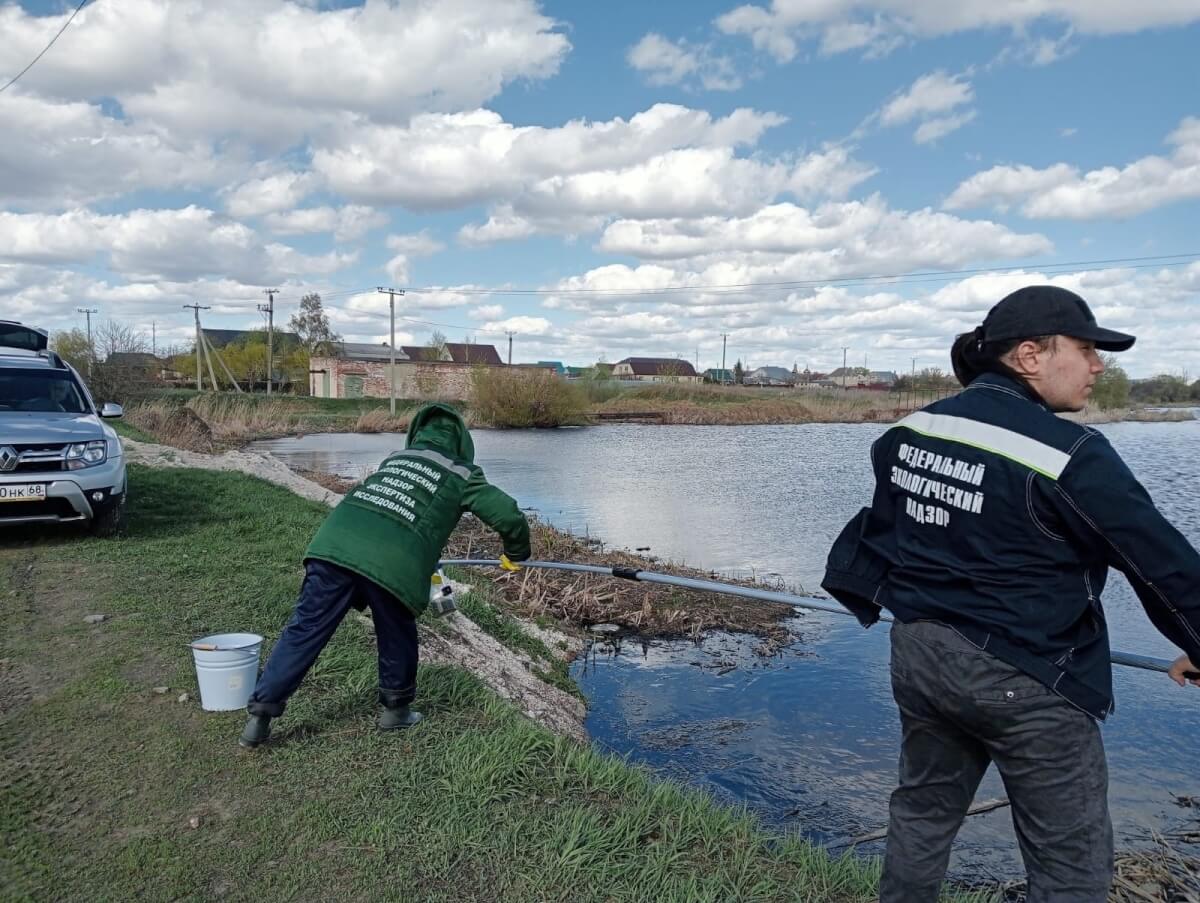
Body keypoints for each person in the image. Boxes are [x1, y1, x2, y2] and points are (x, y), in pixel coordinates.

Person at [822, 285, 1200, 902]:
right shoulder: (1071, 453)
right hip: (1029, 677)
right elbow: (1164, 567)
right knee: (1069, 864)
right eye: (1085, 348)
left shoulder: (908, 431)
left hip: (920, 655)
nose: (1099, 365)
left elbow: (888, 537)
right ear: (1029, 355)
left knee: (921, 815)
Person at [239, 402, 530, 749]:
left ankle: (259, 717)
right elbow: (508, 515)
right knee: (396, 633)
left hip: (332, 545)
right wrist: (515, 554)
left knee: (305, 629)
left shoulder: (396, 459)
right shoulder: (463, 473)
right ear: (462, 442)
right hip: (392, 561)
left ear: (417, 435)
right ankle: (396, 711)